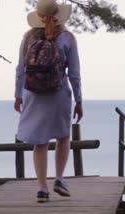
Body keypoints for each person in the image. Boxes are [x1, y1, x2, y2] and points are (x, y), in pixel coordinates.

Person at [14, 0, 83, 203]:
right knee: (63, 136)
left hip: (33, 94)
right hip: (59, 92)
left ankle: (42, 188)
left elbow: (20, 70)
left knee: (39, 141)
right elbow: (75, 74)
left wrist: (18, 95)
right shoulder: (67, 38)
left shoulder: (28, 38)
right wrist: (79, 100)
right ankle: (59, 178)